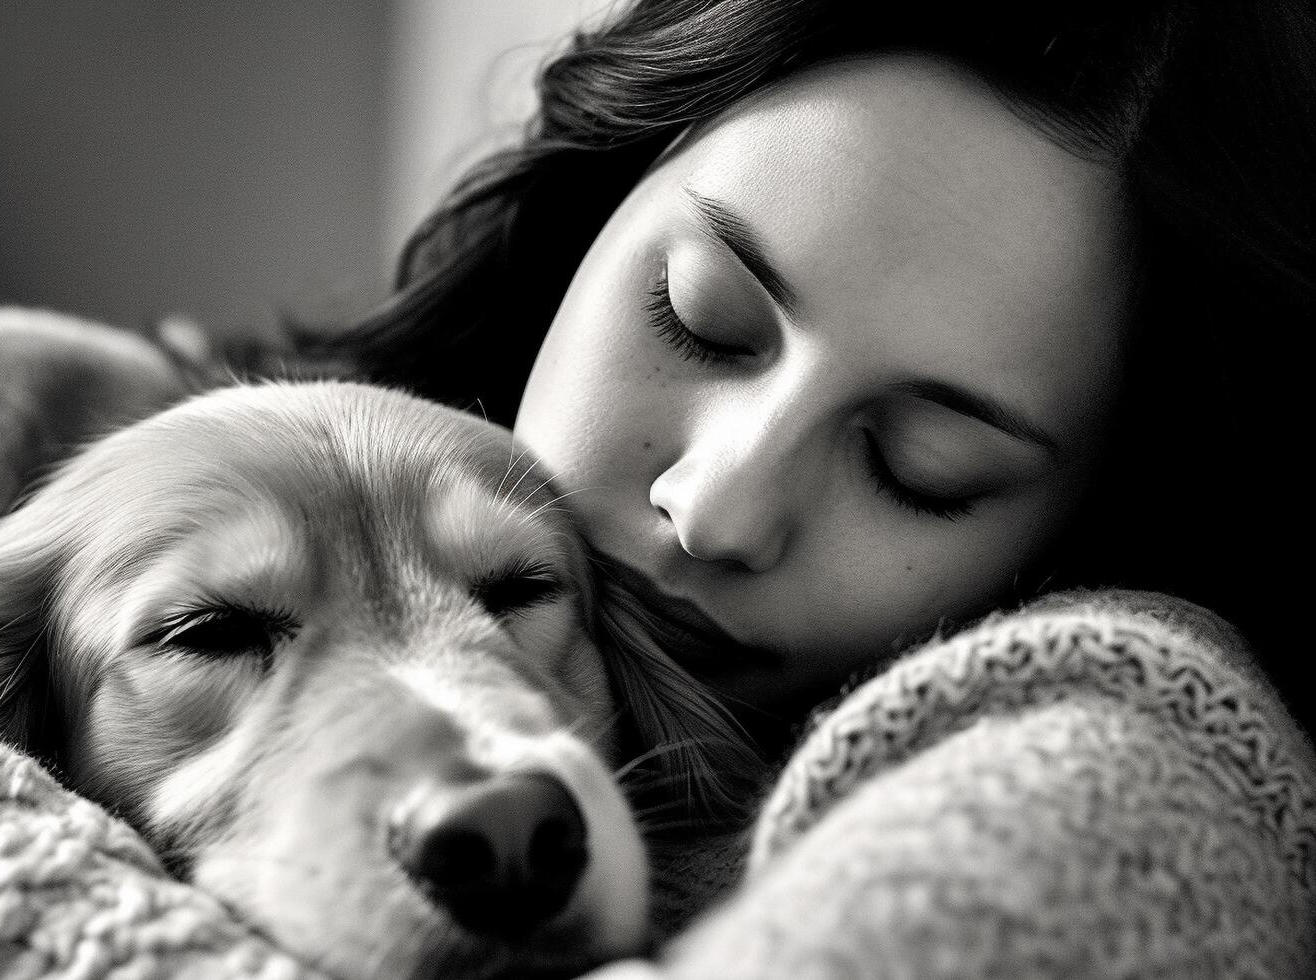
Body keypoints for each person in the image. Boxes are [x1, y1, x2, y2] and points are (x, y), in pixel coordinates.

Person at [256, 0, 1315, 957]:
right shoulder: (169, 469)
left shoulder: (1130, 731)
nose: (716, 508)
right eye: (698, 315)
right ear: (593, 209)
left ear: (1096, 526)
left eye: (921, 468)